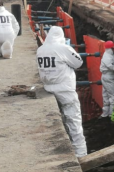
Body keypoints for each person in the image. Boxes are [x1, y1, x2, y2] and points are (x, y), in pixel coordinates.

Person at [36, 26, 87, 158]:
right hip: (65, 89)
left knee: (62, 118)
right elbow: (78, 63)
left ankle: (69, 145)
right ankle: (81, 152)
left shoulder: (40, 49)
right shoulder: (63, 48)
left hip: (48, 87)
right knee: (74, 119)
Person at [99, 40, 114, 118]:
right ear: (109, 49)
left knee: (105, 96)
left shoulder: (111, 53)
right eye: (113, 48)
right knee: (113, 96)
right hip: (109, 77)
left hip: (106, 77)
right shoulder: (107, 58)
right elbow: (113, 68)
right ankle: (112, 114)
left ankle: (105, 114)